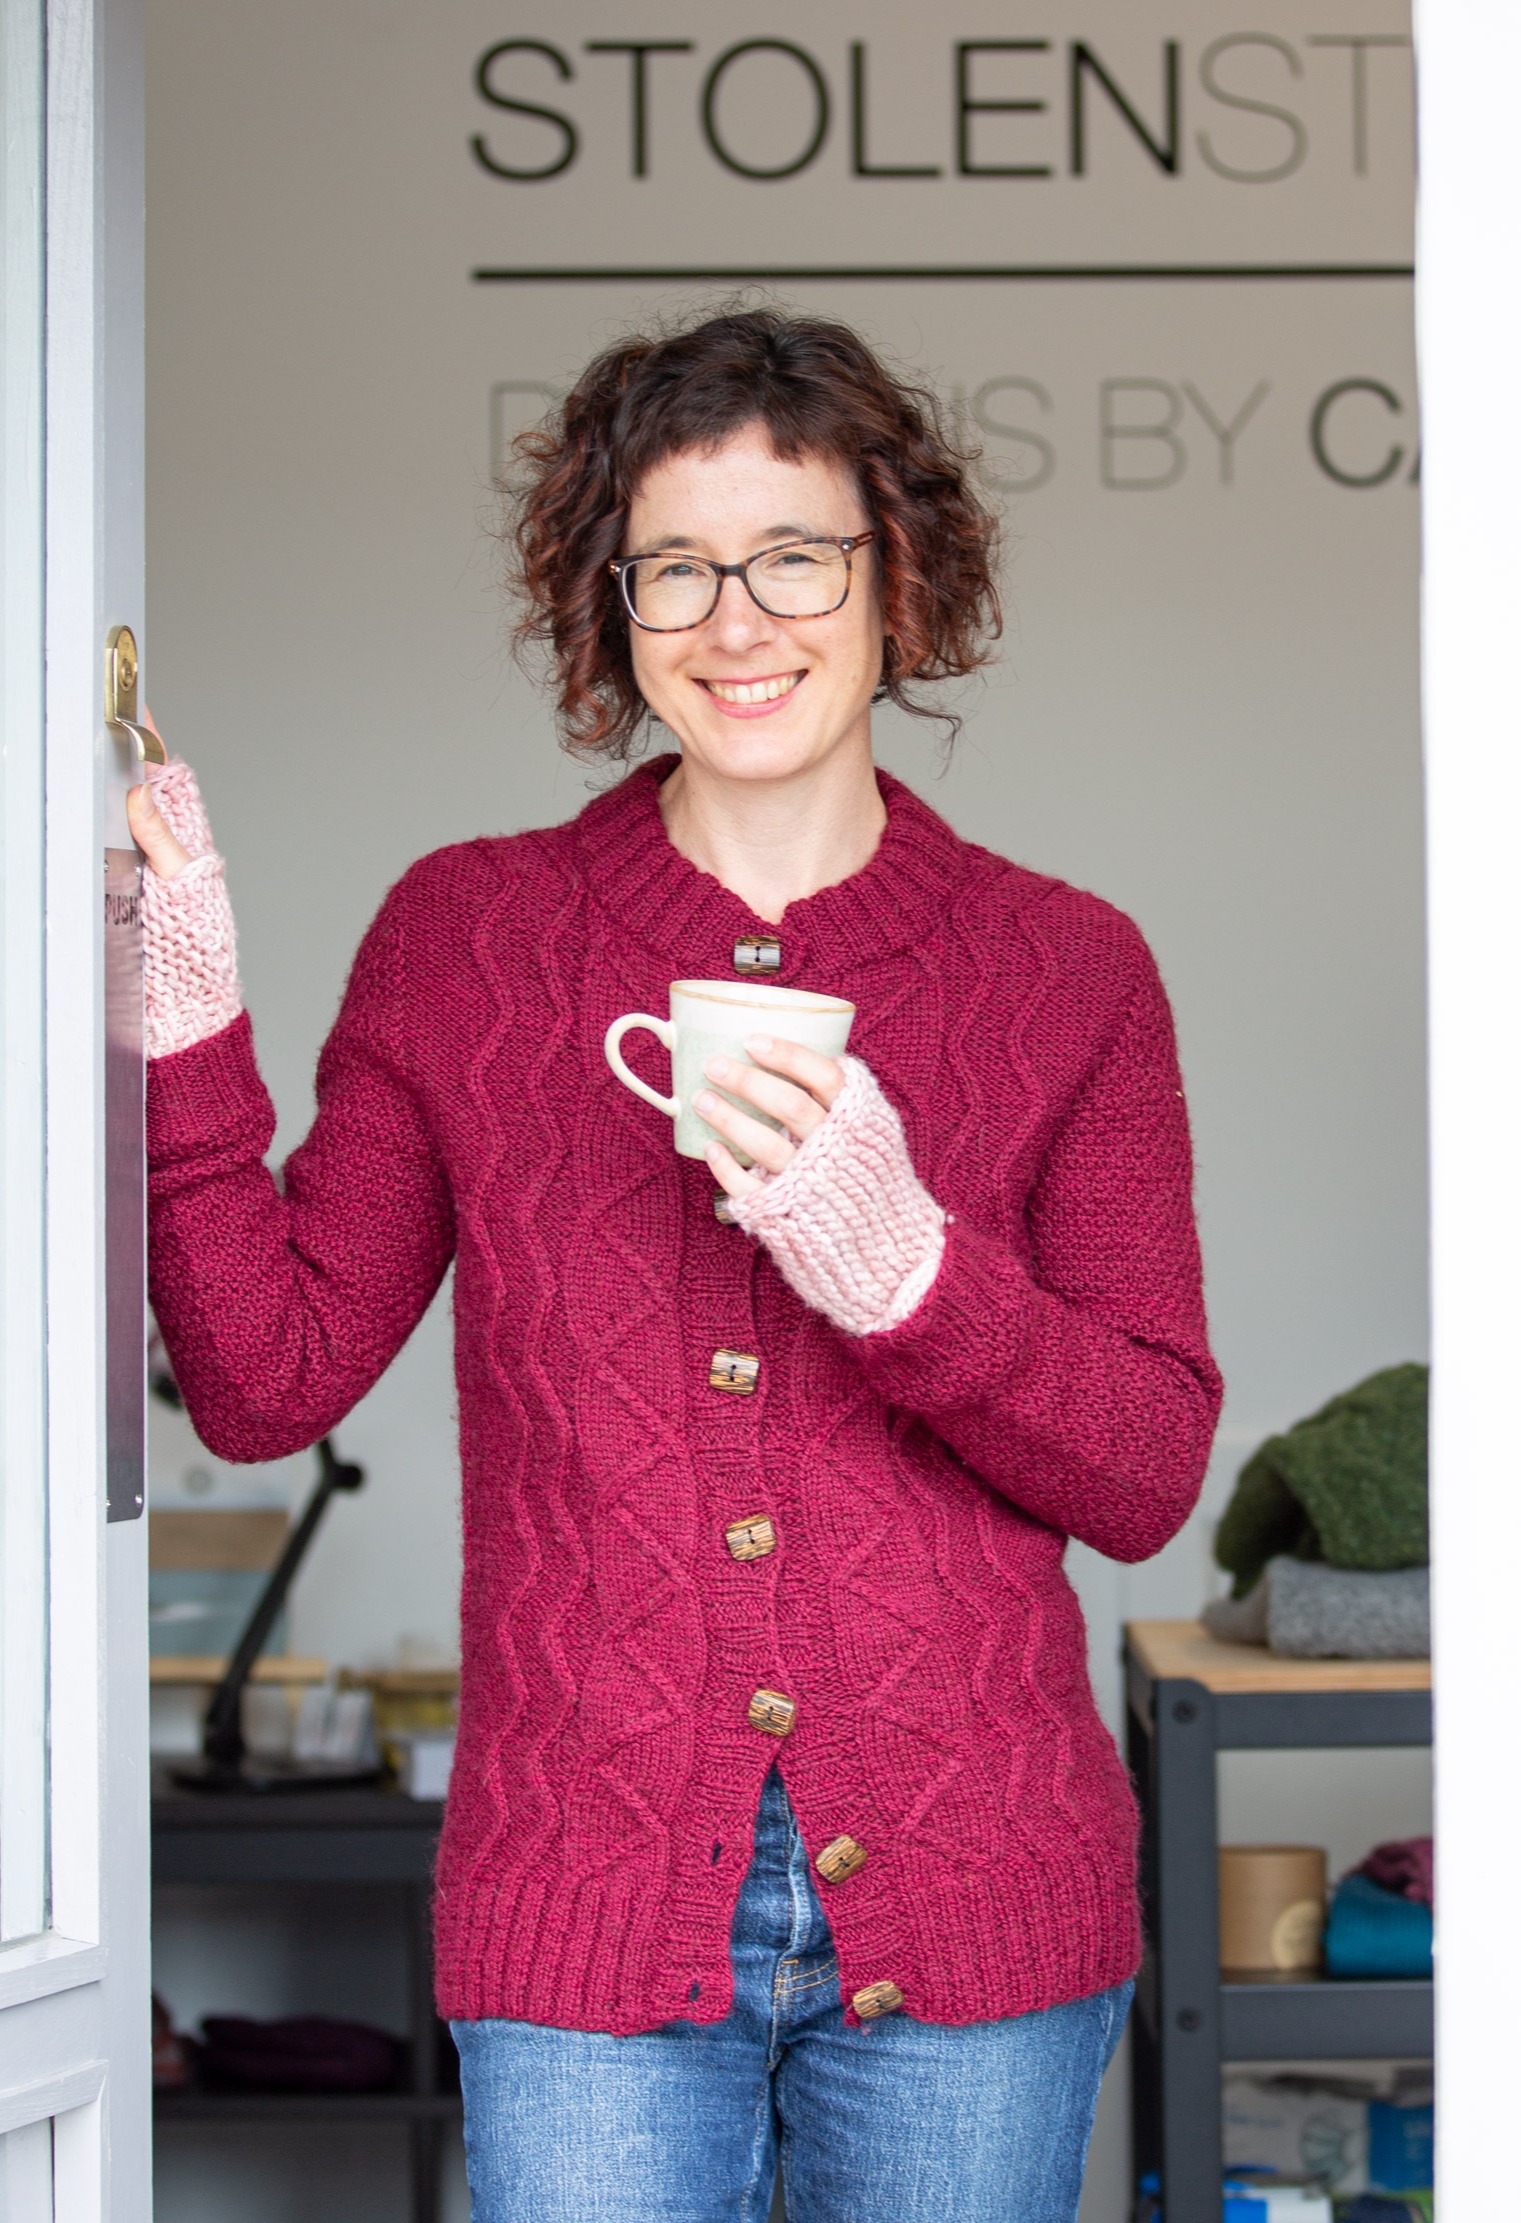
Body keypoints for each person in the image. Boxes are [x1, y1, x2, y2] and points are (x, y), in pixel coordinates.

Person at [130, 306, 1221, 2222]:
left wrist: (905, 1275)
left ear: (899, 577)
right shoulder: (471, 938)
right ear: (606, 602)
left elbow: (1142, 1474)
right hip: (585, 1895)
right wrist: (188, 1024)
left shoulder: (1069, 970)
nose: (739, 620)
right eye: (678, 566)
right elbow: (263, 1375)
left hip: (979, 1895)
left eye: (795, 553)